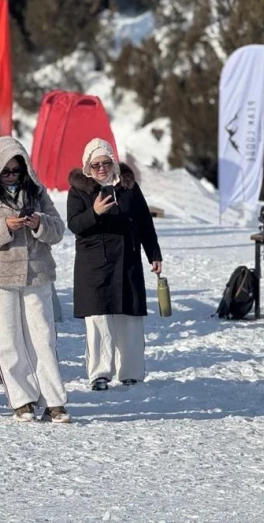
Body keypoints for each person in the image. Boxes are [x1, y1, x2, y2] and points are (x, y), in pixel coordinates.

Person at [0, 137, 71, 423]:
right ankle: (21, 400)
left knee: (43, 339)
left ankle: (54, 401)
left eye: (16, 170)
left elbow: (58, 230)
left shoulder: (36, 191)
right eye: (5, 171)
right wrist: (4, 227)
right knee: (8, 340)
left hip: (37, 274)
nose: (11, 176)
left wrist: (39, 223)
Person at [67, 139, 162, 391]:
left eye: (106, 163)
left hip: (127, 261)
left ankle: (131, 372)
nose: (101, 168)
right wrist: (94, 212)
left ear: (113, 162)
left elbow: (144, 222)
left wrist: (153, 253)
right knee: (99, 321)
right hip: (94, 265)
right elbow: (74, 224)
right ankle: (99, 374)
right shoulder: (79, 191)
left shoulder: (128, 187)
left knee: (130, 319)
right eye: (95, 164)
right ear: (87, 166)